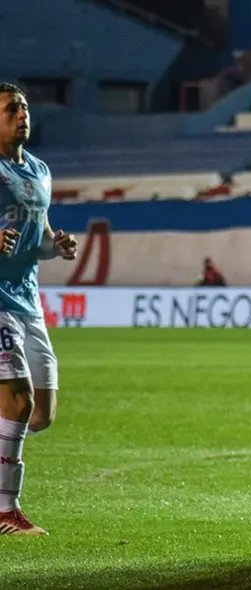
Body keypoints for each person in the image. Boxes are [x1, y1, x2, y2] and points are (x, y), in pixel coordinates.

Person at [0, 83, 79, 535]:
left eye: (25, 107)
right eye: (12, 109)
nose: (22, 114)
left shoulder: (39, 170)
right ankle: (5, 509)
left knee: (40, 414)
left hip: (28, 300)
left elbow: (41, 234)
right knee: (17, 399)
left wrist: (57, 245)